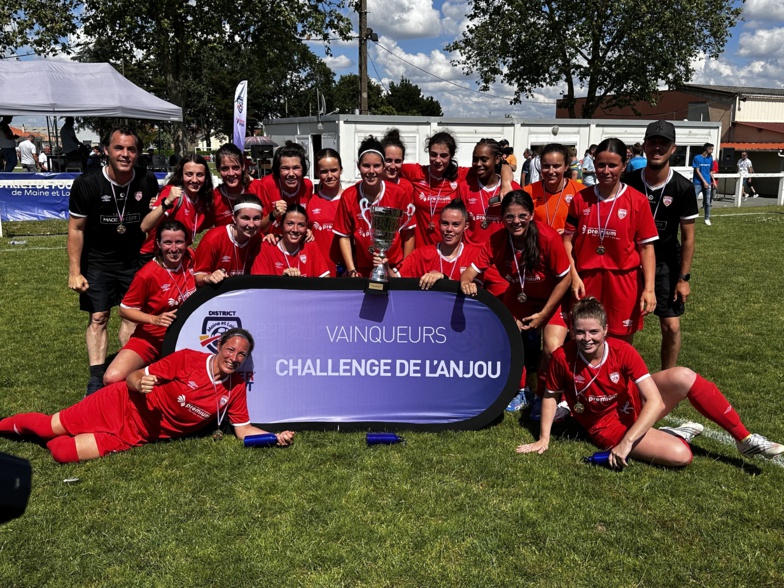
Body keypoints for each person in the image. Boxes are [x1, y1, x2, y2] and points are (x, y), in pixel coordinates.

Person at [515, 297, 784, 467]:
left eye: (594, 331)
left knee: (683, 375)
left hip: (632, 404)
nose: (587, 338)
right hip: (605, 425)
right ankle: (673, 435)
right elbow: (550, 395)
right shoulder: (563, 356)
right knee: (681, 456)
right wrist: (544, 438)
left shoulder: (622, 350)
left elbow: (652, 399)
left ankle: (744, 439)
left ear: (606, 330)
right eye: (580, 332)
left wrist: (628, 442)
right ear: (572, 331)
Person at [0, 329, 295, 463]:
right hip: (119, 403)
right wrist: (139, 383)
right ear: (219, 346)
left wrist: (273, 437)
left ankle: (48, 438)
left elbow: (243, 430)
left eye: (241, 354)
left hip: (137, 434)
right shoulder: (188, 360)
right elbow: (134, 376)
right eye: (230, 349)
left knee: (62, 453)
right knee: (46, 425)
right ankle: (9, 425)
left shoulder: (235, 388)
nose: (234, 357)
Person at [67, 126, 159, 396]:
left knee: (131, 318)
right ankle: (96, 378)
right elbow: (76, 229)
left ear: (137, 153)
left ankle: (126, 371)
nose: (125, 154)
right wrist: (74, 271)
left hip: (133, 261)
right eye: (119, 148)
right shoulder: (87, 183)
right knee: (99, 317)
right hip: (97, 261)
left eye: (131, 149)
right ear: (106, 150)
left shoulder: (146, 180)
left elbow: (149, 224)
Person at [461, 191, 571, 413]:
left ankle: (542, 395)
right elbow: (469, 271)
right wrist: (466, 282)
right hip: (520, 296)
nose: (516, 221)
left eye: (522, 215)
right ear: (502, 218)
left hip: (552, 299)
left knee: (552, 348)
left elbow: (565, 278)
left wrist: (543, 314)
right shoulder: (497, 240)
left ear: (531, 215)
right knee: (507, 339)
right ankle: (521, 390)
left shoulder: (547, 238)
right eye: (509, 217)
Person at [563, 138, 658, 343]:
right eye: (600, 165)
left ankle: (618, 377)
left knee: (620, 343)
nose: (606, 171)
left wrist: (649, 289)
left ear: (624, 165)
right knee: (582, 338)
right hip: (586, 280)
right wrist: (574, 275)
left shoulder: (637, 201)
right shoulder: (581, 199)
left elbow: (646, 248)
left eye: (613, 165)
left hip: (624, 281)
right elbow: (567, 241)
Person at [625, 121, 698, 370]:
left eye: (663, 143)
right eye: (652, 142)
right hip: (632, 262)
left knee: (671, 325)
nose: (657, 148)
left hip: (666, 262)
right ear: (644, 146)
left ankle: (667, 379)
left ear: (673, 148)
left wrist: (684, 278)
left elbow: (688, 238)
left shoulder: (683, 188)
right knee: (625, 325)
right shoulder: (628, 181)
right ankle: (621, 376)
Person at [102, 221, 197, 385]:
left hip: (189, 337)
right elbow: (124, 310)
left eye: (179, 242)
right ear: (159, 244)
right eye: (167, 242)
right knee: (112, 377)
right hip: (152, 339)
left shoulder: (192, 258)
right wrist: (155, 319)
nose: (174, 249)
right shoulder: (147, 274)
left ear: (186, 242)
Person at [400, 131, 514, 248]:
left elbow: (503, 167)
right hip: (421, 249)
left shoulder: (461, 175)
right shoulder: (416, 172)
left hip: (450, 250)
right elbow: (389, 167)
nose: (438, 160)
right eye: (433, 154)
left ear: (451, 155)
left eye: (443, 155)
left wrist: (505, 184)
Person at [334, 136, 415, 278]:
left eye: (376, 166)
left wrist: (404, 270)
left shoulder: (399, 193)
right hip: (363, 271)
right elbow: (344, 236)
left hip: (393, 270)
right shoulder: (349, 196)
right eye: (366, 165)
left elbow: (408, 233)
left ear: (383, 166)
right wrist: (352, 270)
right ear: (358, 166)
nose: (371, 171)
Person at [380, 199, 480, 290]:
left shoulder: (475, 255)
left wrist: (443, 278)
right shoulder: (421, 254)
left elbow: (480, 293)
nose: (449, 229)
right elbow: (397, 280)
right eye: (445, 223)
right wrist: (386, 267)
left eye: (455, 224)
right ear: (439, 223)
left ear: (466, 226)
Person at [139, 154, 215, 264]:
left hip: (179, 254)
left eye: (200, 175)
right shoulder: (173, 193)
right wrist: (166, 202)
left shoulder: (203, 200)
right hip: (156, 256)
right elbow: (145, 226)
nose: (194, 179)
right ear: (181, 175)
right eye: (189, 174)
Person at [193, 193, 263, 286]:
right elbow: (198, 276)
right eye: (245, 218)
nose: (251, 224)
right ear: (234, 218)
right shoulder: (213, 239)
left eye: (256, 218)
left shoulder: (260, 239)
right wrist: (208, 278)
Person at [251, 205, 330, 277]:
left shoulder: (310, 245)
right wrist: (283, 281)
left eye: (301, 225)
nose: (295, 229)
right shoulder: (266, 247)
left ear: (306, 228)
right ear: (281, 225)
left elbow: (326, 280)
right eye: (290, 223)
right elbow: (259, 286)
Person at [525, 143, 582, 235]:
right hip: (537, 246)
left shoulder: (580, 192)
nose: (551, 171)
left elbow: (587, 225)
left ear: (566, 166)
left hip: (566, 247)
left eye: (556, 166)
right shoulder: (528, 192)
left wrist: (570, 232)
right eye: (546, 166)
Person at [258, 141, 314, 234]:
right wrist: (273, 214)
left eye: (296, 168)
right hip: (272, 242)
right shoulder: (266, 184)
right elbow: (258, 228)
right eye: (285, 168)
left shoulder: (307, 185)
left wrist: (308, 231)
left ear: (303, 169)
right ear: (278, 170)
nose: (291, 174)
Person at [308, 148, 344, 276]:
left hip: (345, 272)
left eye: (334, 170)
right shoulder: (310, 200)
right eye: (324, 172)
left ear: (341, 170)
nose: (329, 176)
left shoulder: (350, 200)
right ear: (317, 173)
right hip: (318, 272)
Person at [212, 142, 265, 226]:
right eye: (225, 168)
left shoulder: (257, 188)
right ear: (218, 169)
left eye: (235, 167)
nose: (231, 173)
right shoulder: (213, 198)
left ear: (243, 166)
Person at [692, 143, 714, 225]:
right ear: (707, 149)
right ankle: (691, 217)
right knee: (693, 201)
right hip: (697, 183)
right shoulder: (696, 158)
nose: (712, 151)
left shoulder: (710, 158)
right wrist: (704, 182)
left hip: (708, 183)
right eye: (711, 149)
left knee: (707, 202)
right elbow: (697, 171)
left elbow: (710, 171)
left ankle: (707, 218)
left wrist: (713, 181)